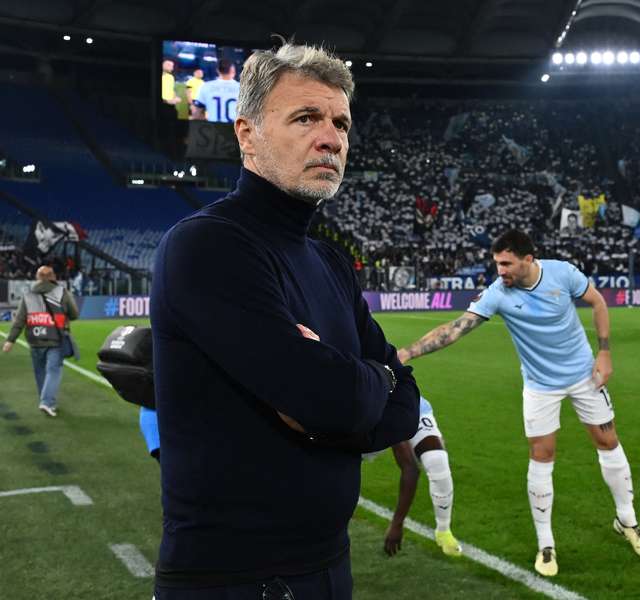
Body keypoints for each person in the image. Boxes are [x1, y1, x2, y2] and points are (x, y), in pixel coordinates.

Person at [150, 42, 419, 599]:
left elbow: (403, 407)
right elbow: (334, 399)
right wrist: (369, 381)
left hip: (329, 567)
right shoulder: (208, 246)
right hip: (233, 580)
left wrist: (356, 387)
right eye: (306, 117)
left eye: (341, 123)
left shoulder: (329, 262)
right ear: (246, 134)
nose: (332, 138)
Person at [397, 229, 640, 577]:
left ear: (528, 260)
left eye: (506, 263)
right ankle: (545, 544)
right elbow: (457, 328)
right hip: (540, 386)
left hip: (584, 375)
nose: (499, 271)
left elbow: (597, 301)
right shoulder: (498, 294)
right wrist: (408, 352)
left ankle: (627, 521)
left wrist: (605, 352)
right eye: (496, 263)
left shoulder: (562, 273)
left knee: (608, 441)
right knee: (542, 454)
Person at [377, 396, 462, 558]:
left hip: (401, 403)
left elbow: (410, 468)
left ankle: (443, 531)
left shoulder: (397, 400)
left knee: (437, 460)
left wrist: (397, 523)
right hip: (361, 408)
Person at [2, 265, 79, 417]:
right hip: (55, 338)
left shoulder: (28, 295)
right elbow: (74, 314)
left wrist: (10, 340)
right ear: (53, 277)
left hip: (35, 339)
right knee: (53, 370)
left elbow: (20, 320)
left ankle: (45, 400)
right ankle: (47, 401)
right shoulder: (62, 292)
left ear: (37, 278)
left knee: (40, 371)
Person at [193, 58, 240, 123]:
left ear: (218, 70)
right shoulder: (242, 88)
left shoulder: (206, 86)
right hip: (235, 130)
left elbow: (197, 114)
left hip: (214, 129)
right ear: (233, 71)